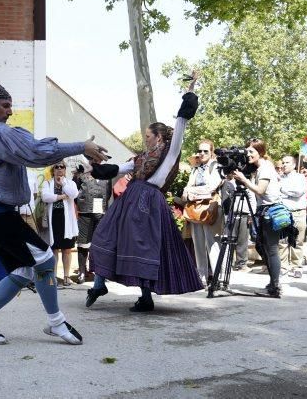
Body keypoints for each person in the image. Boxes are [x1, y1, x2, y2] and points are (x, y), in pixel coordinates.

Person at [0, 31, 108, 345]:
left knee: (25, 271)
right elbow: (37, 153)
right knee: (43, 258)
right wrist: (81, 145)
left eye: (10, 106)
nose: (9, 112)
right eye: (3, 106)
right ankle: (56, 323)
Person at [86, 77, 201, 312]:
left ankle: (146, 297)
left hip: (149, 202)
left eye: (148, 136)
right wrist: (94, 165)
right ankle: (99, 285)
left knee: (143, 248)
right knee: (105, 236)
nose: (145, 139)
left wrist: (189, 94)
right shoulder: (140, 159)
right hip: (129, 200)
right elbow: (118, 169)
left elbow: (180, 124)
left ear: (158, 137)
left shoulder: (170, 152)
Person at [232, 138, 285, 298]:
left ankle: (275, 286)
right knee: (263, 247)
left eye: (251, 151)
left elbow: (260, 190)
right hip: (264, 211)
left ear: (260, 152)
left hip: (271, 211)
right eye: (247, 151)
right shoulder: (260, 167)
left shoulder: (265, 168)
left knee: (272, 250)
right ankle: (273, 283)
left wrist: (243, 179)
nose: (248, 154)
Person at [182, 139, 222, 285]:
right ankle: (202, 277)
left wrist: (192, 192)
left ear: (212, 152)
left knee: (212, 243)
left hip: (211, 208)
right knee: (198, 243)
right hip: (195, 210)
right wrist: (190, 192)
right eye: (200, 151)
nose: (202, 153)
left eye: (206, 151)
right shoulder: (195, 168)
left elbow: (211, 187)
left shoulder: (216, 167)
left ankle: (218, 277)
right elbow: (186, 190)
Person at [41, 161, 79, 287]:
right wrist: (62, 196)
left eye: (61, 167)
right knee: (54, 249)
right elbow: (45, 197)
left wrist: (62, 183)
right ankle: (54, 277)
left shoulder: (70, 183)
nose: (59, 169)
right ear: (53, 170)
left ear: (65, 169)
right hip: (54, 219)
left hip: (66, 220)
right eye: (56, 167)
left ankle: (67, 276)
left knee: (67, 249)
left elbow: (74, 194)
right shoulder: (47, 183)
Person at [74, 167, 111, 283]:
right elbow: (75, 194)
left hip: (101, 212)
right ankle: (82, 272)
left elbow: (108, 193)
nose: (97, 161)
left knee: (100, 243)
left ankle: (99, 272)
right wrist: (84, 204)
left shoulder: (107, 175)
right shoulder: (81, 174)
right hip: (85, 212)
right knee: (83, 242)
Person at [278, 155, 307, 278]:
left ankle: (296, 266)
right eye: (283, 162)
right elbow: (276, 192)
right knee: (282, 241)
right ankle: (283, 266)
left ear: (294, 165)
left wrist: (282, 190)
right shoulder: (279, 178)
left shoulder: (300, 177)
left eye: (287, 162)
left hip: (298, 212)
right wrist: (284, 190)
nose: (284, 165)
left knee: (297, 241)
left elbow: (298, 192)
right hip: (283, 213)